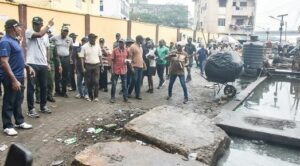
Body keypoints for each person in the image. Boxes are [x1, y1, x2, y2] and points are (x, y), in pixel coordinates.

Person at [0, 19, 34, 135]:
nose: (20, 29)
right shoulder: (5, 42)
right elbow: (4, 62)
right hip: (11, 77)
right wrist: (14, 80)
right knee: (9, 100)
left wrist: (27, 66)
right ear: (13, 29)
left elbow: (16, 58)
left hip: (19, 76)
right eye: (18, 27)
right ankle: (7, 126)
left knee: (18, 100)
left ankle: (19, 121)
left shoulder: (14, 41)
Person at [26, 17, 54, 118]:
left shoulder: (45, 35)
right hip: (32, 63)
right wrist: (49, 25)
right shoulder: (29, 31)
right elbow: (39, 34)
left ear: (41, 25)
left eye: (38, 24)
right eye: (35, 23)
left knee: (44, 86)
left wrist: (47, 62)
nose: (36, 25)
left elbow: (46, 49)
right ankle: (31, 109)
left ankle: (43, 106)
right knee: (31, 87)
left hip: (43, 64)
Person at [51, 25, 73, 98]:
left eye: (66, 31)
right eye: (64, 31)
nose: (65, 33)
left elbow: (71, 48)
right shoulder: (55, 37)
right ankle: (57, 91)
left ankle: (64, 91)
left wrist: (69, 57)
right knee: (57, 75)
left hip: (66, 58)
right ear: (61, 31)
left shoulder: (70, 39)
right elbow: (49, 43)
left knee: (65, 75)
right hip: (57, 58)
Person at [79, 33, 102, 102]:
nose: (94, 39)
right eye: (92, 38)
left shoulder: (98, 46)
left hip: (96, 65)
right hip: (88, 66)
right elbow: (82, 58)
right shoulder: (84, 47)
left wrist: (102, 65)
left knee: (96, 82)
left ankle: (96, 96)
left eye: (94, 38)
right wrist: (83, 67)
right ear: (89, 39)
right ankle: (90, 96)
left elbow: (100, 56)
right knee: (89, 82)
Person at [110, 39, 129, 103]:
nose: (121, 44)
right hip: (116, 70)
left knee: (124, 85)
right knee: (114, 84)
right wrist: (112, 70)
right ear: (118, 43)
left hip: (124, 69)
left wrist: (128, 62)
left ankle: (125, 98)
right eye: (120, 43)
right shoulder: (115, 50)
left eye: (122, 43)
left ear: (124, 44)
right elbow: (112, 61)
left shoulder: (127, 50)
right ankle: (112, 98)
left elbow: (128, 58)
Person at [128, 35, 144, 100]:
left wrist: (144, 65)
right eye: (142, 40)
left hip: (140, 66)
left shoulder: (141, 47)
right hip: (134, 66)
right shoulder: (132, 46)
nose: (143, 41)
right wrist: (131, 67)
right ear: (139, 40)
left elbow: (141, 57)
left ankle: (137, 95)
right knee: (134, 80)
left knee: (139, 81)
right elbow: (129, 58)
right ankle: (129, 92)